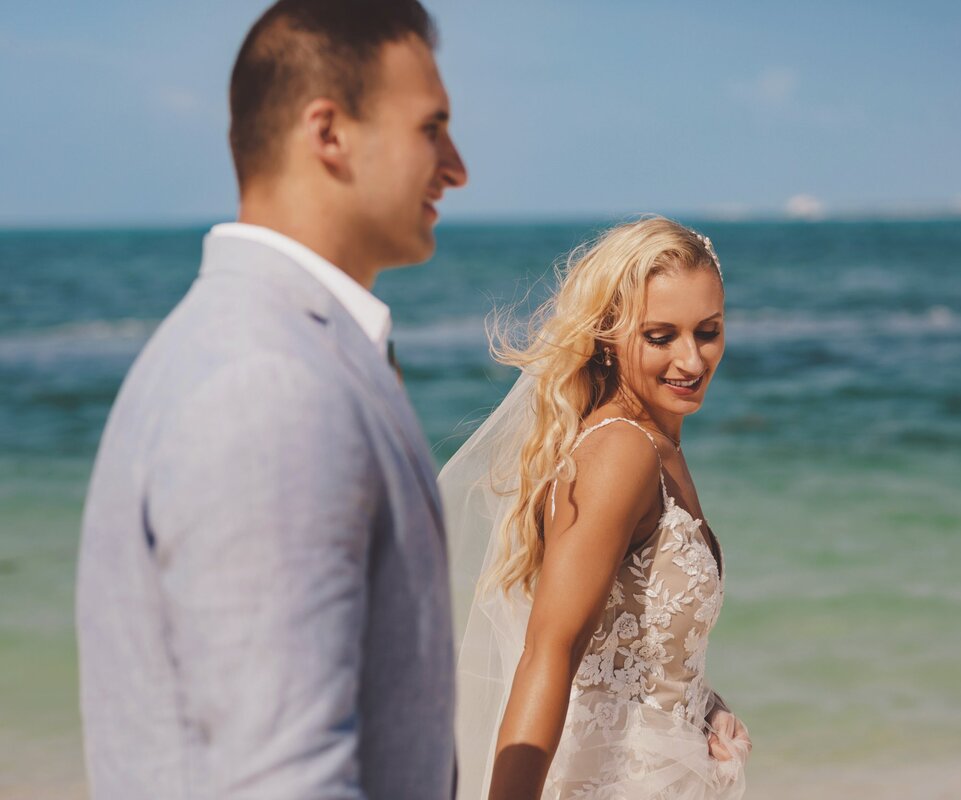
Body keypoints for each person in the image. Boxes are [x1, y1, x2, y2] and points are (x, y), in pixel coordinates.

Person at [75, 1, 466, 797]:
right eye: (432, 128)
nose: (457, 166)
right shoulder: (266, 383)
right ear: (329, 133)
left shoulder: (265, 345)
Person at [440, 217, 751, 800]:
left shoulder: (655, 445)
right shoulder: (620, 452)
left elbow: (627, 655)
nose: (692, 360)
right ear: (607, 337)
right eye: (661, 337)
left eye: (707, 331)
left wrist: (702, 707)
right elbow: (549, 652)